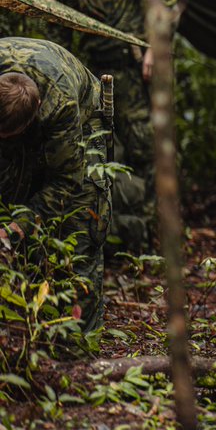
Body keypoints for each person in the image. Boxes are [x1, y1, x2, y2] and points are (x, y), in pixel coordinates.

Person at [43, 0, 173, 252]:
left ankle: (159, 234)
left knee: (147, 147)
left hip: (136, 68)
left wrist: (152, 49)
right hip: (98, 78)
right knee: (101, 154)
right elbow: (58, 39)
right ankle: (121, 235)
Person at [0, 37, 109, 335]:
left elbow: (65, 180)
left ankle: (79, 343)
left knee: (81, 221)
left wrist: (18, 226)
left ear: (31, 121)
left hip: (87, 121)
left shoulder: (60, 106)